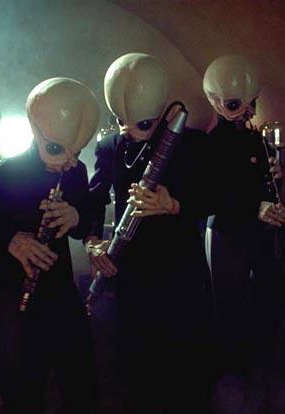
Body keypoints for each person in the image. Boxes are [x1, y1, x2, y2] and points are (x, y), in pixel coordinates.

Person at [86, 52, 215, 413]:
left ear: (159, 112)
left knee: (186, 376)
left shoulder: (191, 144)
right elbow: (94, 201)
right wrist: (93, 242)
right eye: (120, 121)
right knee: (137, 375)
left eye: (140, 124)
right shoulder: (110, 147)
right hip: (133, 282)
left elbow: (216, 196)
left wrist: (174, 204)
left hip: (181, 280)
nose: (127, 130)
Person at [0, 77, 99, 414]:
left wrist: (76, 217)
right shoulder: (5, 173)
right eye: (56, 150)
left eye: (75, 152)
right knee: (24, 387)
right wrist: (10, 239)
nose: (66, 162)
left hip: (61, 290)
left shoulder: (75, 172)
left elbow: (85, 221)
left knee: (82, 380)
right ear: (35, 130)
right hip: (16, 298)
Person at [202, 55, 285, 411]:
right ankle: (231, 382)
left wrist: (274, 194)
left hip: (257, 236)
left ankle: (258, 375)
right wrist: (257, 207)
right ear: (215, 102)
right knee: (228, 306)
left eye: (251, 103)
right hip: (227, 236)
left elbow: (264, 187)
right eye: (234, 105)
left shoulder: (257, 140)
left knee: (262, 300)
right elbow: (212, 197)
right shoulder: (211, 144)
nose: (246, 112)